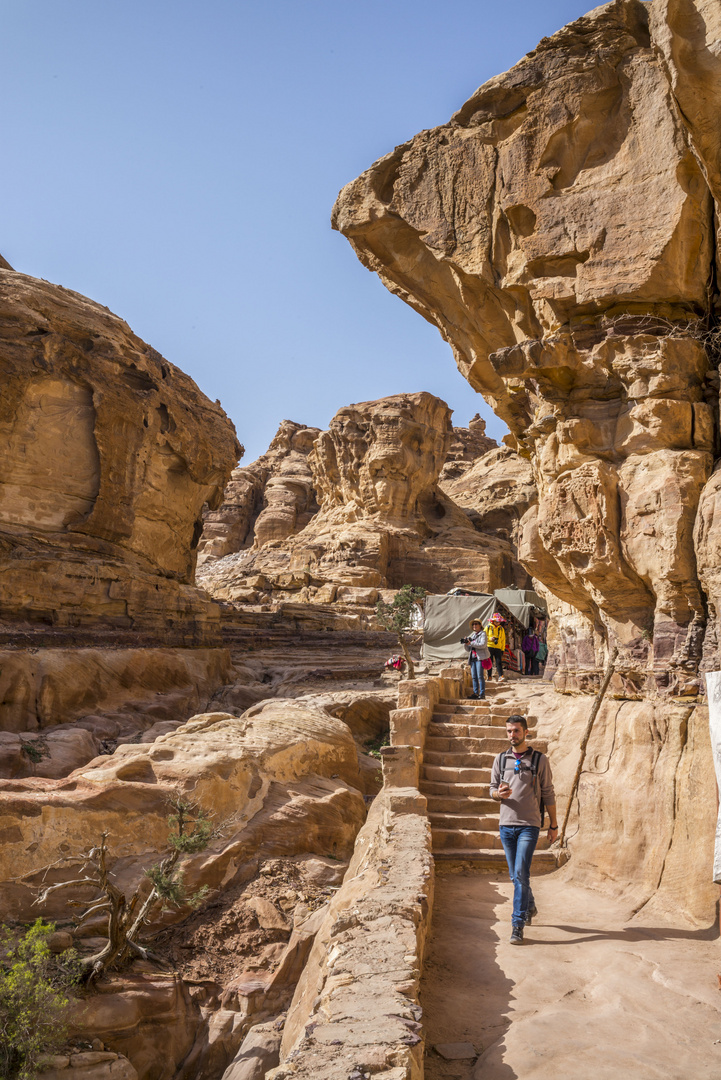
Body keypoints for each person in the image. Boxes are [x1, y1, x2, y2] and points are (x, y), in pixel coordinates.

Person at [489, 714, 558, 945]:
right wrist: (498, 794)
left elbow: (548, 792)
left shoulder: (540, 759)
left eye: (516, 731)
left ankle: (517, 924)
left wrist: (554, 825)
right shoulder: (500, 759)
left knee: (520, 874)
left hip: (529, 825)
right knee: (515, 875)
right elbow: (491, 789)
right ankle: (529, 904)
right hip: (506, 825)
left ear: (526, 732)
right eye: (509, 731)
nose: (512, 735)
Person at [463, 619, 489, 699]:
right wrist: (466, 644)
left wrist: (471, 643)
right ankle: (475, 693)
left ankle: (482, 694)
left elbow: (482, 645)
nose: (474, 625)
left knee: (480, 676)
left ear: (480, 625)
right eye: (473, 624)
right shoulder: (473, 635)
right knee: (474, 677)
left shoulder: (483, 634)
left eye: (476, 624)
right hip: (473, 658)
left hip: (479, 658)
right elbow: (468, 649)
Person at [485, 612, 506, 682]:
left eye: (499, 621)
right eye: (497, 621)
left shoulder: (501, 629)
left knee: (499, 662)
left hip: (498, 648)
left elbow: (503, 640)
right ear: (493, 621)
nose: (498, 623)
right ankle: (489, 676)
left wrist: (502, 649)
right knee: (489, 662)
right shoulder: (488, 627)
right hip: (489, 647)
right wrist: (489, 639)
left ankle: (501, 676)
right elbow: (483, 637)